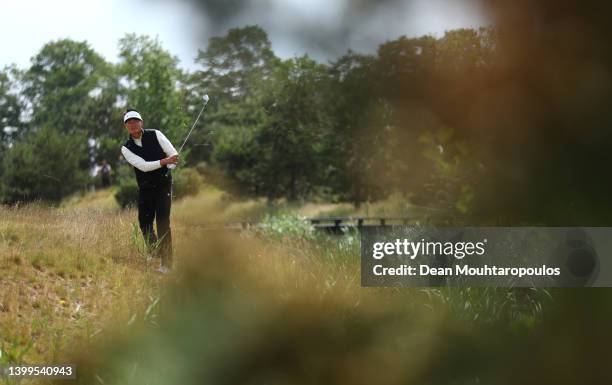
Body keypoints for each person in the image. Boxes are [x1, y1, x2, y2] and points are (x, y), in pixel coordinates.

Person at [120, 108, 179, 273]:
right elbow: (143, 166)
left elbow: (173, 154)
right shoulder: (126, 148)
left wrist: (171, 164)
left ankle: (167, 264)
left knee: (162, 222)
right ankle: (155, 250)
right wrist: (164, 162)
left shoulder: (156, 134)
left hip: (163, 185)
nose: (133, 124)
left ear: (141, 122)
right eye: (129, 122)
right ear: (125, 126)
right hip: (145, 187)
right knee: (144, 223)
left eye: (135, 121)